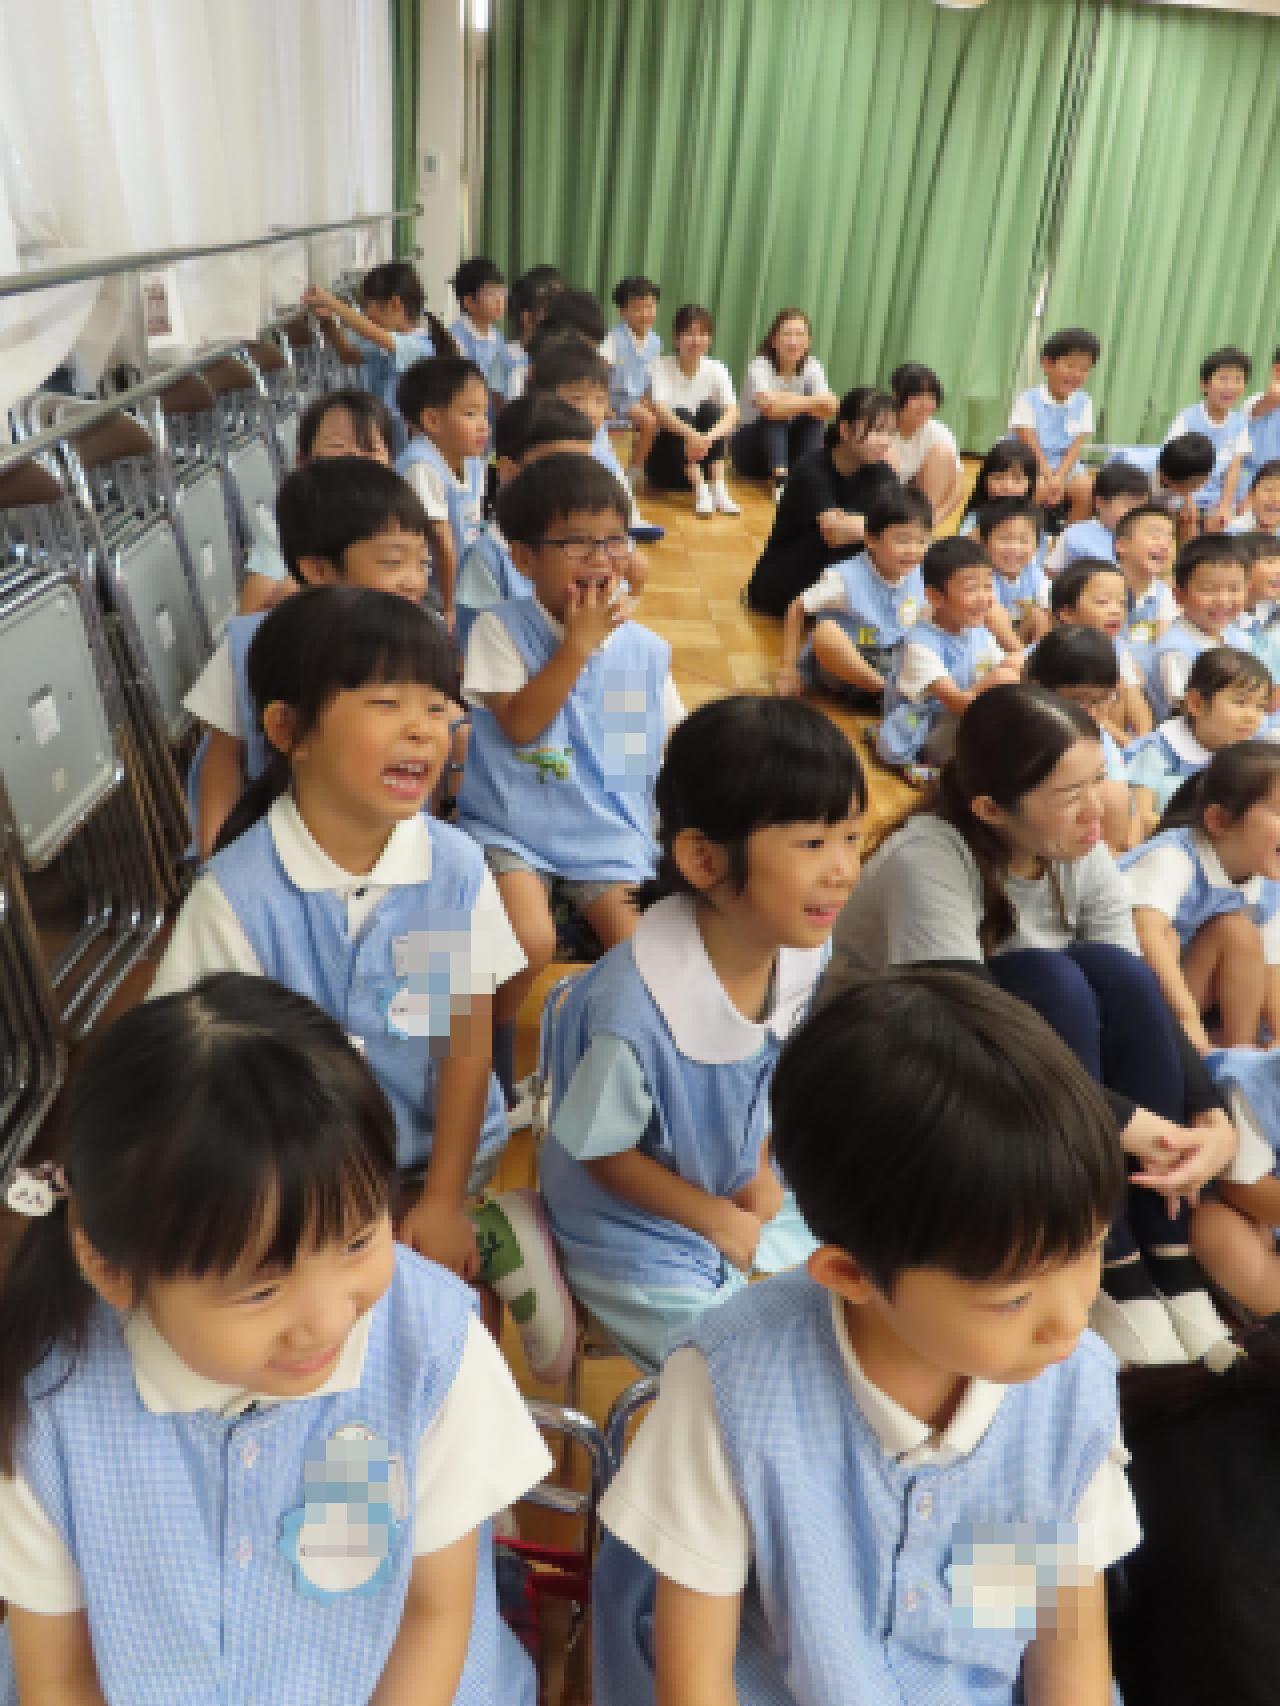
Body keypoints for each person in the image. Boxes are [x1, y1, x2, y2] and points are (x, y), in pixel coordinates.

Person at [0, 976, 550, 1706]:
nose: (326, 1320)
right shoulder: (47, 1402)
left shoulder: (432, 1346)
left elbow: (436, 1613)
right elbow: (59, 1676)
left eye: (358, 1241)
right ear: (112, 1271)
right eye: (261, 1290)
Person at [595, 969, 1138, 1706]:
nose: (1071, 1320)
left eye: (1090, 1250)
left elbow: (1064, 1650)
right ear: (851, 1274)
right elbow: (695, 1681)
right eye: (1012, 1299)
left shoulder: (1072, 1391)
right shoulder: (732, 1386)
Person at [825, 684, 1239, 1365]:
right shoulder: (929, 858)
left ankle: (1165, 1249)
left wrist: (1207, 1115)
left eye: (1100, 778)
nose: (1098, 807)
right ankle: (1101, 1250)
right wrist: (1133, 1126)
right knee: (1052, 980)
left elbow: (1138, 1000)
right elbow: (966, 1030)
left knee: (1116, 973)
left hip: (1032, 1084)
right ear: (991, 809)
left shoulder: (1079, 848)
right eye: (1070, 793)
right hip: (903, 1068)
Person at [153, 589, 524, 1282]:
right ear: (288, 729)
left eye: (436, 706)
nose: (423, 731)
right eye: (386, 703)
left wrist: (443, 1201)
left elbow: (464, 1043)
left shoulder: (451, 870)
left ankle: (497, 1232)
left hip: (428, 1160)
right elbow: (196, 1075)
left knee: (445, 1295)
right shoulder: (237, 897)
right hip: (290, 1175)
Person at [533, 697, 864, 1374]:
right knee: (734, 1370)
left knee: (868, 1274)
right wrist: (711, 1217)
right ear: (704, 859)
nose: (843, 870)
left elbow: (764, 1074)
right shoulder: (635, 1013)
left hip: (730, 1182)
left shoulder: (802, 949)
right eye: (812, 844)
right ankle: (532, 1245)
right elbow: (604, 1153)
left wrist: (761, 1167)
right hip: (629, 1226)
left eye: (852, 838)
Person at [453, 455, 682, 1100]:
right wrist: (576, 647)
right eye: (576, 543)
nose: (600, 558)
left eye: (614, 540)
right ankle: (490, 1059)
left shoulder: (641, 649)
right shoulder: (500, 630)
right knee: (529, 939)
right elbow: (523, 725)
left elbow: (646, 753)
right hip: (511, 825)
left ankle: (608, 1066)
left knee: (643, 952)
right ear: (524, 559)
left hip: (605, 832)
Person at [185, 458, 439, 862]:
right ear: (318, 569)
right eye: (392, 562)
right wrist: (214, 859)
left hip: (380, 847)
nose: (414, 580)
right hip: (270, 850)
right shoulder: (249, 644)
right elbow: (222, 760)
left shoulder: (416, 645)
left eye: (422, 563)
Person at [1123, 742, 1280, 1054]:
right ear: (1219, 820)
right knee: (1168, 937)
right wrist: (1188, 1019)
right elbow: (1144, 934)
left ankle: (1238, 1058)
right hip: (1129, 995)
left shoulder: (1266, 879)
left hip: (1186, 993)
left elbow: (1272, 968)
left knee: (1239, 933)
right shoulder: (1173, 856)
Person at [237, 387, 395, 616]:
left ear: (390, 462)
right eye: (337, 447)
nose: (355, 458)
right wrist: (293, 594)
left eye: (371, 449)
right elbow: (250, 619)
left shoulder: (403, 517)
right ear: (303, 462)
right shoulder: (286, 528)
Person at [745, 386, 898, 616]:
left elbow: (899, 522)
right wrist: (878, 526)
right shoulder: (812, 467)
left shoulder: (882, 473)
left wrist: (863, 525)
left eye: (890, 433)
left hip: (830, 582)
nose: (885, 441)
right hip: (781, 582)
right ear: (845, 430)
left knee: (892, 547)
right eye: (877, 431)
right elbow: (834, 534)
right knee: (842, 538)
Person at [876, 536, 1019, 784]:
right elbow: (957, 703)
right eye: (971, 588)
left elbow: (1007, 665)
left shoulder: (977, 630)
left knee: (1015, 666)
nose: (984, 598)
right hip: (927, 730)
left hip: (964, 717)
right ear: (936, 597)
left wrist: (1008, 642)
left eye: (988, 586)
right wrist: (1000, 678)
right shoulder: (920, 644)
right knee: (1006, 680)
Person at [775, 484, 930, 705]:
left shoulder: (916, 572)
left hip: (894, 659)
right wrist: (787, 668)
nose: (913, 550)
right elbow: (797, 607)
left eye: (922, 541)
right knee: (824, 633)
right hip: (848, 666)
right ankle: (888, 693)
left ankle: (893, 696)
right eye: (903, 540)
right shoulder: (843, 578)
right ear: (871, 540)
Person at [301, 264, 451, 454]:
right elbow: (349, 355)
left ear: (394, 304)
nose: (366, 315)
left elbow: (370, 331)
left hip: (403, 443)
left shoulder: (419, 346)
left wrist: (331, 302)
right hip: (384, 433)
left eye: (367, 306)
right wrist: (327, 321)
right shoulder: (385, 344)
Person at [527, 334, 663, 541]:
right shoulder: (542, 444)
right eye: (577, 398)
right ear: (545, 398)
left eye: (599, 400)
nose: (590, 410)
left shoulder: (598, 437)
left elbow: (617, 481)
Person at [1125, 646, 1270, 836]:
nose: (1252, 716)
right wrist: (1204, 836)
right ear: (1196, 703)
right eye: (1240, 702)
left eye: (1260, 706)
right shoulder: (1157, 750)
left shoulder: (1244, 758)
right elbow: (1141, 818)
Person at [395, 355, 491, 625]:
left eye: (484, 413)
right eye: (470, 414)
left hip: (464, 586)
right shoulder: (422, 466)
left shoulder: (472, 461)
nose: (483, 424)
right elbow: (442, 543)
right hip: (431, 593)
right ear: (432, 420)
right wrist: (450, 608)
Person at [1025, 626, 1134, 853]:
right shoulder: (1028, 741)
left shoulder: (1098, 735)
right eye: (1078, 700)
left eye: (1101, 700)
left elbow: (1128, 812)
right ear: (1039, 689)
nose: (1090, 712)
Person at [730, 308, 836, 501]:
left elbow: (830, 407)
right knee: (775, 415)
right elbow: (769, 408)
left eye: (800, 334)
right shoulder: (760, 366)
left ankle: (806, 479)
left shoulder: (812, 366)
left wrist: (785, 400)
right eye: (787, 334)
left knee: (815, 418)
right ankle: (780, 483)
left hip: (788, 453)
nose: (793, 342)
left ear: (808, 341)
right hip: (750, 453)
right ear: (774, 340)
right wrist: (812, 402)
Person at [645, 303, 741, 516]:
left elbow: (733, 412)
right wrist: (692, 435)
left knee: (711, 411)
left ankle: (718, 490)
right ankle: (701, 492)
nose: (696, 340)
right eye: (689, 333)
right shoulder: (660, 366)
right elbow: (660, 411)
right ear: (676, 338)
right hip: (667, 466)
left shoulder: (717, 368)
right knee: (681, 413)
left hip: (703, 461)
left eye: (703, 334)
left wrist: (706, 438)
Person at [1147, 533, 1251, 722]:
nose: (1223, 600)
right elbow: (1185, 712)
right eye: (1208, 590)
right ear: (1179, 595)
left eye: (1234, 589)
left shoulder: (1239, 637)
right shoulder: (1176, 650)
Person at [1050, 559, 1152, 743]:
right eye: (1102, 602)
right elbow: (1089, 715)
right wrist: (1129, 744)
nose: (1115, 611)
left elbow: (1136, 700)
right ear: (1067, 613)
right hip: (1069, 735)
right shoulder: (1059, 653)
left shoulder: (1117, 646)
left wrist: (1145, 742)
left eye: (1122, 603)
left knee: (1121, 689)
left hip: (1110, 734)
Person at [1010, 327, 1101, 524]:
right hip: (1030, 460)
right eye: (1069, 366)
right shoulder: (1028, 399)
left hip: (1063, 464)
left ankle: (1069, 538)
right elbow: (1029, 443)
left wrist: (1059, 476)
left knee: (1087, 490)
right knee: (1038, 489)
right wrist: (1048, 476)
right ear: (1047, 364)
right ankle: (1024, 533)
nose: (1076, 374)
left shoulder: (1084, 402)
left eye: (1084, 369)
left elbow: (1075, 446)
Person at [1167, 346, 1253, 529]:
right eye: (1223, 379)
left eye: (1238, 380)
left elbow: (1233, 469)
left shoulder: (1239, 423)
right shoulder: (1187, 418)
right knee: (1187, 524)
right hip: (1185, 495)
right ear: (1204, 385)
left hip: (1217, 500)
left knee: (1223, 526)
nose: (1230, 387)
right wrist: (1187, 499)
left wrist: (1225, 506)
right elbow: (1174, 466)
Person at [888, 360, 965, 527]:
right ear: (896, 396)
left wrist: (933, 520)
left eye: (931, 397)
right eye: (916, 396)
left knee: (943, 453)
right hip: (879, 502)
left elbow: (957, 487)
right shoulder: (881, 426)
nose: (925, 404)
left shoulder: (939, 432)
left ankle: (919, 524)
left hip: (916, 503)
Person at [601, 275, 662, 476]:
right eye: (637, 308)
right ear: (623, 311)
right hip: (615, 400)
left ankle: (651, 467)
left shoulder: (655, 342)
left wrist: (648, 399)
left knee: (667, 414)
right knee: (649, 421)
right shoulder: (614, 338)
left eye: (650, 306)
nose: (645, 314)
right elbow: (599, 373)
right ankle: (634, 471)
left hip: (638, 401)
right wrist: (604, 403)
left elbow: (652, 377)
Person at [1046, 459, 1151, 575]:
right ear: (1100, 502)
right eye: (1128, 505)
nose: (1134, 513)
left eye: (1140, 508)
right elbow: (1052, 572)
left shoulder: (1145, 540)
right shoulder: (1076, 535)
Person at [1110, 434, 1216, 545]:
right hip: (1123, 512)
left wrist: (1188, 500)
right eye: (1200, 481)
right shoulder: (1131, 467)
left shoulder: (1179, 473)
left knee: (1189, 519)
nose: (1205, 482)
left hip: (1157, 508)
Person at [1113, 501, 1178, 679]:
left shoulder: (1163, 594)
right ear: (1122, 545)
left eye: (1170, 539)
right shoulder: (1101, 583)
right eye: (1155, 536)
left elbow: (1164, 647)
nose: (1165, 545)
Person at [976, 496, 1051, 645]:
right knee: (993, 613)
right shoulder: (983, 576)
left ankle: (1038, 654)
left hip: (1020, 635)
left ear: (1037, 546)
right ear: (984, 542)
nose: (1014, 548)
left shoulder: (1034, 574)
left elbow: (1048, 605)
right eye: (1004, 539)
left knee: (1040, 616)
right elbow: (988, 621)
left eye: (1024, 540)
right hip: (989, 640)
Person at [494, 265, 563, 401]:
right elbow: (499, 406)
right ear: (527, 318)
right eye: (548, 309)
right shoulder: (505, 357)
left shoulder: (562, 355)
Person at [448, 256, 508, 400]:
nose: (499, 300)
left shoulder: (497, 337)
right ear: (469, 302)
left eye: (502, 292)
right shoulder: (455, 337)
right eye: (490, 293)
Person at [960, 437, 1042, 532]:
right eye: (998, 478)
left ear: (1030, 484)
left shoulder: (1034, 520)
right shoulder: (974, 520)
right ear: (985, 481)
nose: (1007, 486)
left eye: (1017, 479)